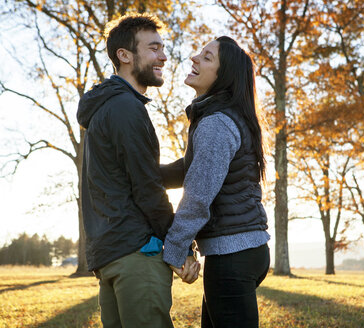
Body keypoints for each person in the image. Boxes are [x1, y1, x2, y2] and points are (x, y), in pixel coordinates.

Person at [76, 14, 198, 328]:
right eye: (154, 48)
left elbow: (134, 174)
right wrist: (180, 246)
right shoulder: (126, 108)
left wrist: (191, 165)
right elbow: (146, 189)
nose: (164, 56)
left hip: (111, 254)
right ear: (125, 55)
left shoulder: (106, 107)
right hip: (137, 254)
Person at [162, 36, 271, 328]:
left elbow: (198, 195)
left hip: (232, 258)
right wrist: (144, 174)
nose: (195, 59)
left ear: (223, 77)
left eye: (207, 57)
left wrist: (175, 249)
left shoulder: (216, 124)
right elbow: (191, 170)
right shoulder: (224, 118)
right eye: (199, 53)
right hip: (244, 251)